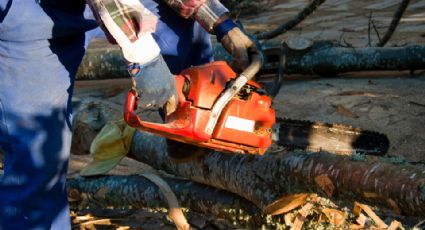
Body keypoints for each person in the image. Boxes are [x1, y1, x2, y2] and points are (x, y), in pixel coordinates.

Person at [0, 0, 257, 229]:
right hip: (32, 14)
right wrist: (143, 57)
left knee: (179, 20)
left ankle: (190, 128)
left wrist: (219, 21)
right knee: (37, 155)